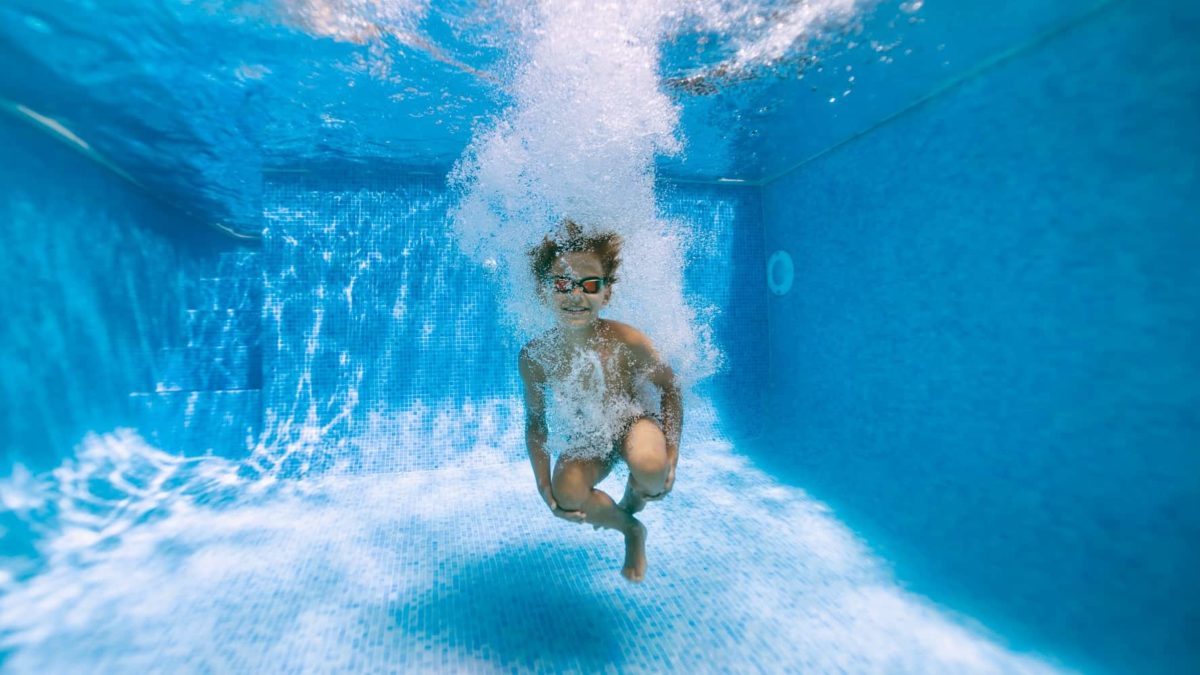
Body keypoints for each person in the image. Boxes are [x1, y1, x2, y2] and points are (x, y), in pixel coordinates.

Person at [518, 221, 682, 583]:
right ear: (545, 291)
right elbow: (536, 424)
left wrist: (672, 455)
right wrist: (544, 486)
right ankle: (630, 528)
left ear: (606, 294)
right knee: (567, 493)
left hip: (633, 420)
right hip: (589, 435)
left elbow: (670, 389)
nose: (575, 296)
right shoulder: (536, 356)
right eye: (563, 284)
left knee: (652, 470)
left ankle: (633, 498)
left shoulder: (628, 340)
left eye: (589, 285)